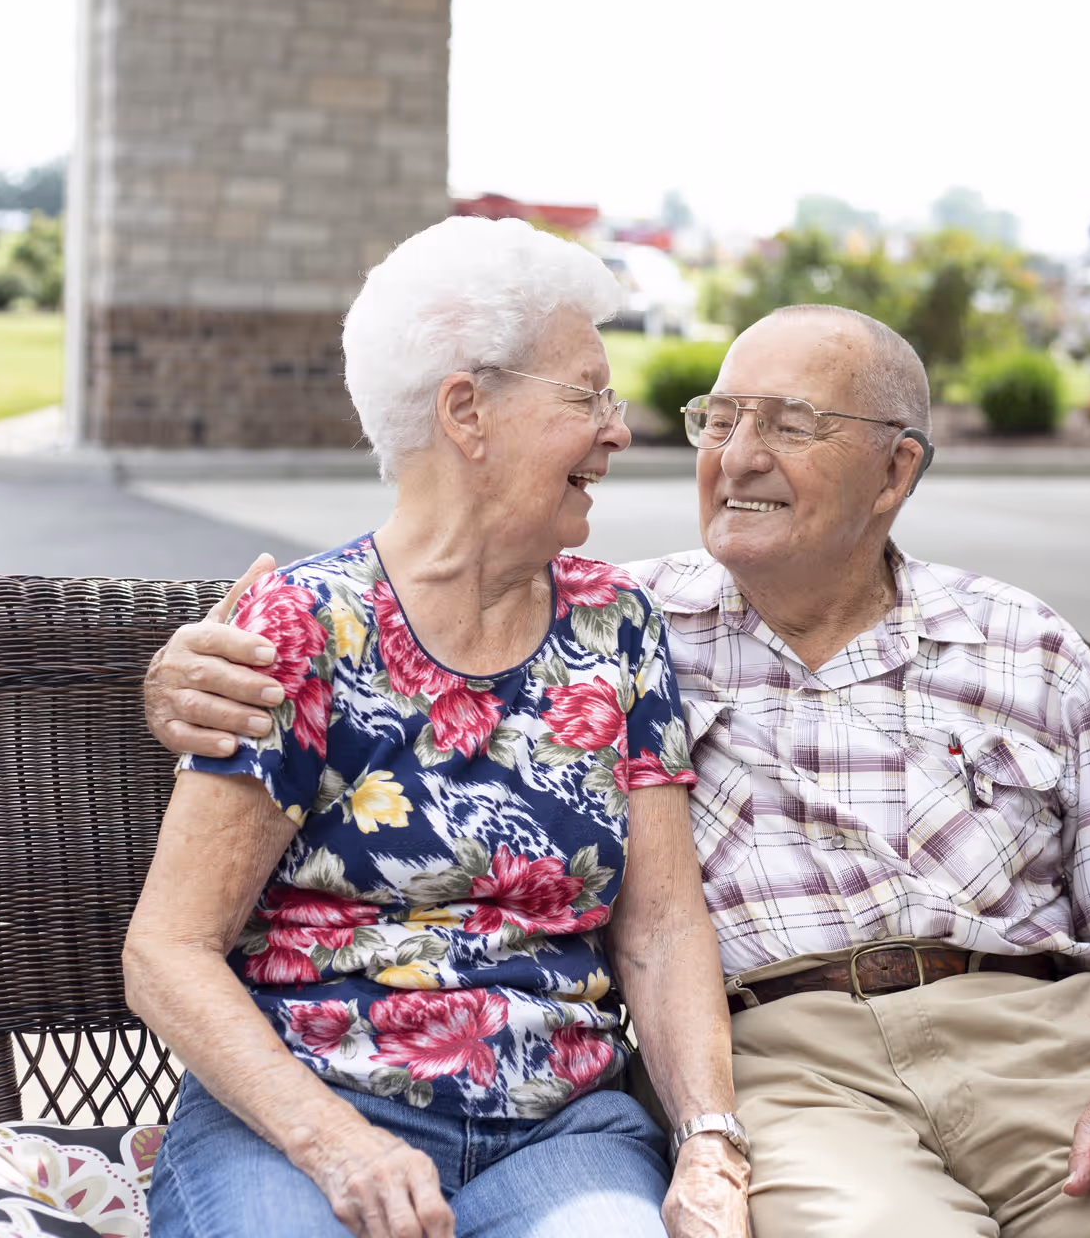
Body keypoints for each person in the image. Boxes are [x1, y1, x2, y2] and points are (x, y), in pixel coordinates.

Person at [145, 302, 1090, 1238]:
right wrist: (180, 675)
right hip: (799, 1065)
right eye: (718, 418)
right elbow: (424, 622)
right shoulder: (621, 624)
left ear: (896, 472)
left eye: (789, 423)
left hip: (1047, 1047)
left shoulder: (1026, 642)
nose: (738, 453)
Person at [124, 216, 750, 1238]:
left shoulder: (615, 624)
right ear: (469, 410)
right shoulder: (304, 627)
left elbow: (664, 925)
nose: (619, 426)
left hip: (561, 1127)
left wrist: (710, 1137)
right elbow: (167, 947)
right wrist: (334, 1141)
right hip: (306, 1111)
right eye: (587, 393)